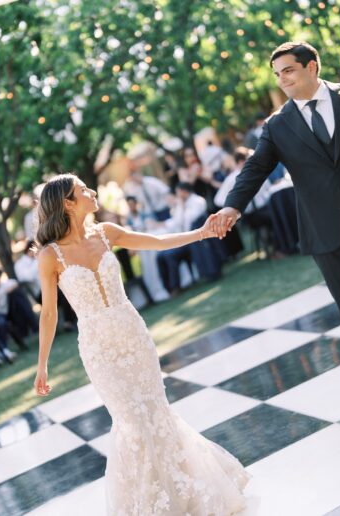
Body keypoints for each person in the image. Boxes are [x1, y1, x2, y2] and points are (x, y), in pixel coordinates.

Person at [33, 173, 248, 514]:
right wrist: (42, 365)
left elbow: (158, 241)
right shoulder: (50, 256)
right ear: (68, 203)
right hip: (99, 348)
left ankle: (187, 494)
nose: (92, 192)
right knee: (131, 422)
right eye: (82, 190)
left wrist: (202, 233)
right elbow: (48, 315)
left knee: (156, 413)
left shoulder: (106, 233)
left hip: (133, 334)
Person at [211, 41, 340, 360]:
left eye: (289, 70)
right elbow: (255, 167)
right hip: (326, 234)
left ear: (311, 67)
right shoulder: (277, 125)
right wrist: (232, 205)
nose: (282, 79)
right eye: (278, 74)